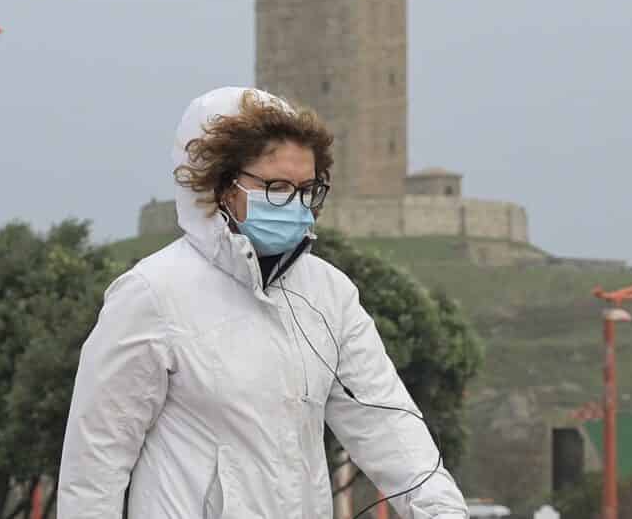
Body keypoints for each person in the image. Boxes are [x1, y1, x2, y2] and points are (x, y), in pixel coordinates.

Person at [56, 87, 469, 518]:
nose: (295, 203)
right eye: (275, 186)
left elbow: (387, 422)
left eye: (307, 188)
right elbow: (95, 461)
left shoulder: (332, 294)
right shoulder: (151, 293)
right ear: (219, 183)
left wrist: (442, 511)